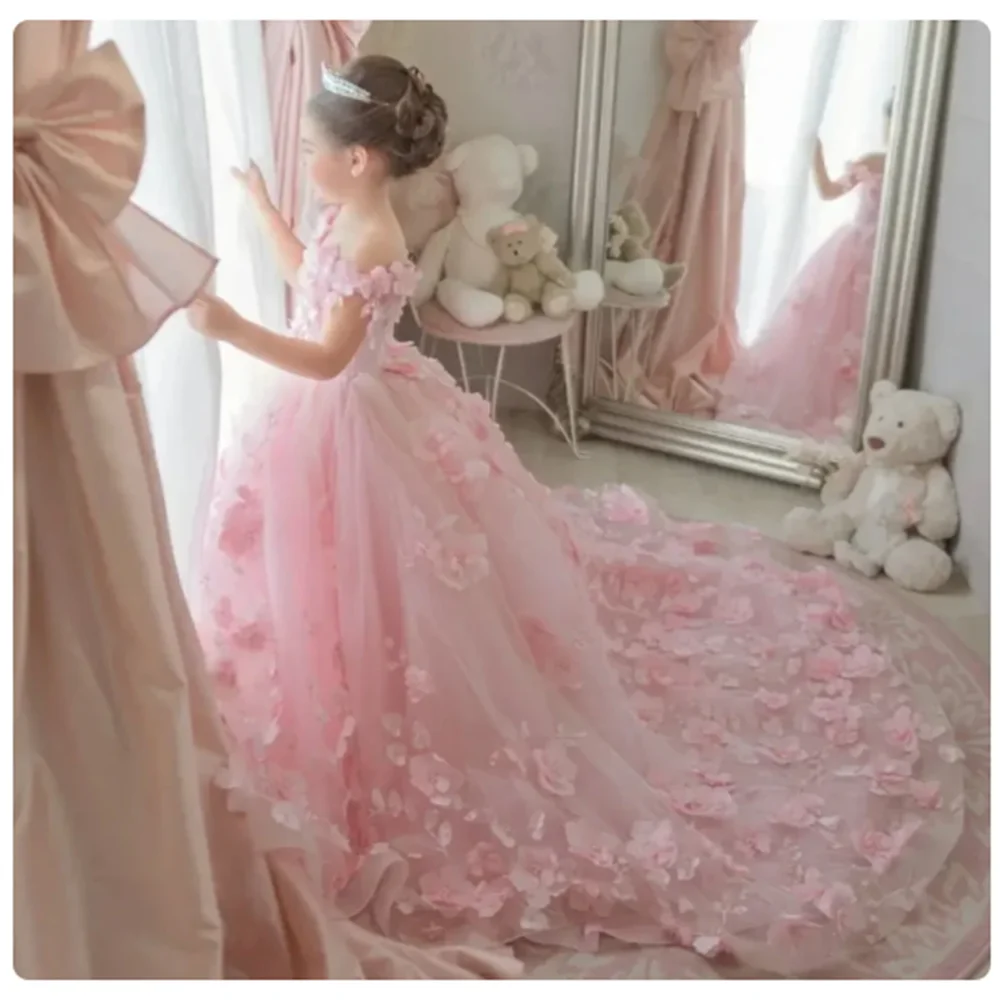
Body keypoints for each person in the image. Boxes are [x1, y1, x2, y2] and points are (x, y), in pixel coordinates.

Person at [188, 64, 960, 975]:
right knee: (325, 576)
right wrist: (260, 208)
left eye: (311, 150)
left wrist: (231, 329)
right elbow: (308, 279)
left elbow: (326, 357)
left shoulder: (376, 237)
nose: (304, 160)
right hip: (343, 419)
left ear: (358, 160)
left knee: (396, 579)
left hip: (356, 422)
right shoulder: (342, 221)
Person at [717, 99, 892, 438]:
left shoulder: (913, 169)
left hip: (886, 261)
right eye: (889, 122)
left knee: (860, 331)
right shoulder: (875, 161)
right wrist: (815, 155)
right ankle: (818, 406)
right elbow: (828, 191)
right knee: (828, 325)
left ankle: (852, 411)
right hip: (853, 254)